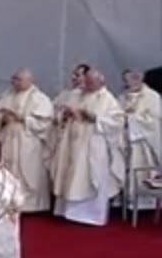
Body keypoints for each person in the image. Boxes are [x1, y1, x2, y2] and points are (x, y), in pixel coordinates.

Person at [50, 69, 126, 226]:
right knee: (70, 173)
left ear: (100, 82)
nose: (87, 84)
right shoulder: (76, 95)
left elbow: (117, 122)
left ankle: (90, 215)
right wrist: (65, 115)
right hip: (72, 143)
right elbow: (60, 114)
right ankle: (68, 212)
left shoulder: (107, 99)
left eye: (91, 82)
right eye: (86, 81)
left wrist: (94, 117)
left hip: (93, 145)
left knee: (91, 176)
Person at [0, 69, 54, 213]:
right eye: (13, 79)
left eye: (18, 79)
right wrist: (2, 120)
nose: (14, 82)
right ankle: (8, 200)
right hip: (9, 139)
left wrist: (23, 119)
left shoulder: (39, 98)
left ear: (29, 81)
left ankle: (31, 205)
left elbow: (45, 122)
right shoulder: (7, 96)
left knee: (28, 171)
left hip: (28, 141)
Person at [121, 70, 161, 200]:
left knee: (142, 169)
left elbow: (154, 120)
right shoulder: (122, 97)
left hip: (143, 142)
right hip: (125, 140)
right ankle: (125, 201)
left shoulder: (152, 96)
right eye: (125, 81)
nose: (127, 85)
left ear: (139, 79)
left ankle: (145, 203)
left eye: (130, 81)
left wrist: (132, 119)